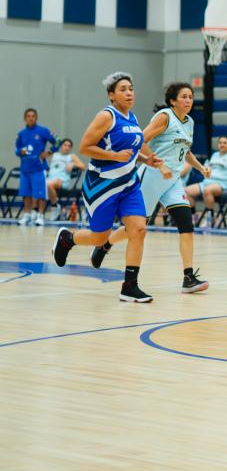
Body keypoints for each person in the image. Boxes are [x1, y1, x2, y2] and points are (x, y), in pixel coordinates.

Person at [51, 72, 168, 302]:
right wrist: (113, 156)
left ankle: (129, 286)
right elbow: (85, 147)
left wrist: (146, 159)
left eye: (131, 88)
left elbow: (131, 150)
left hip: (129, 185)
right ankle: (67, 239)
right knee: (99, 237)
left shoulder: (132, 118)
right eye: (123, 89)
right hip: (102, 185)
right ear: (111, 95)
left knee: (139, 229)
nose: (129, 93)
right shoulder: (106, 116)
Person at [89, 83, 211, 293]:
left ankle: (188, 277)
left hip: (173, 180)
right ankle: (105, 244)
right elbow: (139, 140)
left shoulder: (189, 122)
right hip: (152, 175)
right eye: (184, 96)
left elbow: (185, 150)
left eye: (191, 97)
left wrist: (200, 168)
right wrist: (160, 164)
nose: (188, 100)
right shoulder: (165, 117)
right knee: (136, 228)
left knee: (186, 225)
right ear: (173, 101)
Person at [184, 134, 227, 224]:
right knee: (186, 191)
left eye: (225, 143)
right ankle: (193, 216)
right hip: (207, 182)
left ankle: (211, 218)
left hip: (222, 184)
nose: (222, 145)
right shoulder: (215, 155)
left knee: (207, 190)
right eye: (220, 143)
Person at [15, 108, 56, 226]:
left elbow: (58, 141)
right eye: (28, 116)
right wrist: (21, 151)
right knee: (26, 193)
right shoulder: (21, 134)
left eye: (33, 116)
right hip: (25, 168)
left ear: (36, 118)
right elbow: (16, 150)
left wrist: (48, 152)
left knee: (40, 193)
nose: (31, 118)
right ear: (25, 118)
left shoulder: (43, 131)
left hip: (38, 168)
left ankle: (41, 216)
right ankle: (27, 215)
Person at [46, 138, 85, 208]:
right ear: (61, 146)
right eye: (65, 145)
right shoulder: (54, 155)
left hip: (62, 181)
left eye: (69, 146)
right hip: (49, 179)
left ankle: (55, 207)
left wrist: (73, 164)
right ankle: (35, 211)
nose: (67, 147)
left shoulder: (72, 156)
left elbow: (83, 167)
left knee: (48, 185)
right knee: (38, 184)